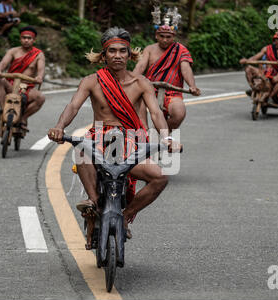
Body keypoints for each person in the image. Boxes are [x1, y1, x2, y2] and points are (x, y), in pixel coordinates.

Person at [47, 27, 181, 248]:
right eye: (112, 51)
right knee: (81, 151)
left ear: (130, 55)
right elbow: (73, 106)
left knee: (160, 177)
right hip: (99, 136)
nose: (117, 55)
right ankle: (94, 203)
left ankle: (126, 215)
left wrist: (166, 138)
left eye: (122, 51)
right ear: (103, 55)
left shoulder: (141, 83)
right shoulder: (91, 81)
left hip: (131, 140)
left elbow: (156, 113)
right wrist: (59, 127)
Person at [133, 7, 201, 131]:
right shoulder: (149, 49)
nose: (165, 39)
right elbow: (141, 66)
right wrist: (131, 80)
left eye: (168, 37)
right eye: (162, 36)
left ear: (174, 36)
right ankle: (145, 134)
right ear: (156, 35)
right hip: (149, 90)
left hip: (172, 92)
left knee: (179, 114)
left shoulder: (181, 50)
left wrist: (192, 86)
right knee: (137, 106)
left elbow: (186, 69)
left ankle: (164, 132)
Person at [0, 26, 45, 131]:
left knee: (40, 98)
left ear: (34, 40)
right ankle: (4, 111)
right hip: (11, 84)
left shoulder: (38, 55)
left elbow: (41, 69)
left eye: (29, 38)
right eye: (24, 37)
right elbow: (3, 63)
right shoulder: (13, 51)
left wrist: (39, 77)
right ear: (20, 39)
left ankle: (23, 118)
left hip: (27, 87)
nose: (26, 40)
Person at [240, 31, 278, 105]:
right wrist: (246, 60)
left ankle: (270, 97)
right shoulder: (267, 48)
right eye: (277, 40)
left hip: (276, 75)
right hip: (265, 72)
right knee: (248, 69)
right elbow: (255, 57)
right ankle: (253, 88)